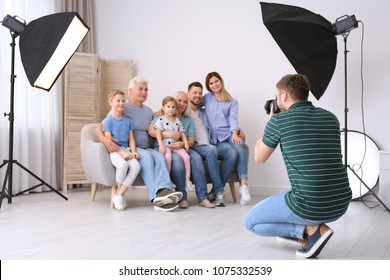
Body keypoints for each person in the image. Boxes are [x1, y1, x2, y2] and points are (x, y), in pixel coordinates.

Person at [245, 74, 352, 258]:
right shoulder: (331, 118)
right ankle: (310, 230)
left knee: (251, 223)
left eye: (277, 96)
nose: (277, 100)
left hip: (309, 205)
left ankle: (311, 230)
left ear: (284, 95)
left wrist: (271, 121)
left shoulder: (279, 121)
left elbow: (258, 157)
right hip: (340, 202)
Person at [96, 76, 183, 212]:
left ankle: (165, 191)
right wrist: (105, 140)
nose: (144, 92)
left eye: (146, 90)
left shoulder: (148, 111)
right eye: (140, 89)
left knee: (161, 155)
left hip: (146, 147)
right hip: (133, 148)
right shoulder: (123, 106)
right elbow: (100, 127)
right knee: (146, 159)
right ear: (130, 91)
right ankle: (154, 198)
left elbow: (158, 124)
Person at [149, 91, 215, 208]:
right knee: (177, 161)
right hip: (166, 147)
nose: (182, 104)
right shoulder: (161, 117)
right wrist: (167, 134)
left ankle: (203, 197)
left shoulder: (188, 120)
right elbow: (151, 131)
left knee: (196, 158)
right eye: (179, 100)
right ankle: (182, 198)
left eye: (185, 102)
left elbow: (190, 140)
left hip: (183, 147)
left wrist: (181, 143)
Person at [200, 72, 251, 205]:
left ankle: (244, 185)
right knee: (233, 153)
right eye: (211, 83)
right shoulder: (206, 98)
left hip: (229, 133)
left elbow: (233, 119)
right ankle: (218, 191)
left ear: (221, 81)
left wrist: (235, 133)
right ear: (208, 86)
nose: (214, 84)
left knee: (240, 145)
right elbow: (193, 106)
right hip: (215, 139)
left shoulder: (232, 101)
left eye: (216, 81)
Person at [186, 82, 239, 206]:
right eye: (194, 93)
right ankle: (219, 191)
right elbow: (169, 109)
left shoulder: (204, 112)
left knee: (232, 152)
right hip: (197, 147)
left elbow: (222, 121)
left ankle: (214, 191)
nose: (198, 95)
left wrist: (237, 129)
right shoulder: (185, 111)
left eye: (200, 93)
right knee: (211, 150)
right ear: (188, 93)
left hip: (210, 144)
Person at [102, 90, 141, 210]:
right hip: (115, 151)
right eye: (118, 100)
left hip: (127, 149)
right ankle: (120, 195)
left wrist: (133, 151)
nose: (121, 103)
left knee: (136, 166)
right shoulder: (108, 120)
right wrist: (121, 152)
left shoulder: (128, 120)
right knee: (123, 165)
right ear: (111, 102)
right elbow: (109, 141)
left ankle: (119, 195)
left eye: (123, 101)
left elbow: (131, 139)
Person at [154, 96, 193, 192]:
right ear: (163, 107)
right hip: (166, 145)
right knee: (168, 158)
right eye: (168, 107)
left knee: (187, 157)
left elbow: (182, 133)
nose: (171, 109)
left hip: (175, 145)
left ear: (176, 109)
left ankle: (187, 181)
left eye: (173, 107)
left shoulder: (177, 120)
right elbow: (158, 133)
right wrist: (161, 145)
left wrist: (185, 143)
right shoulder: (161, 119)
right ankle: (168, 181)